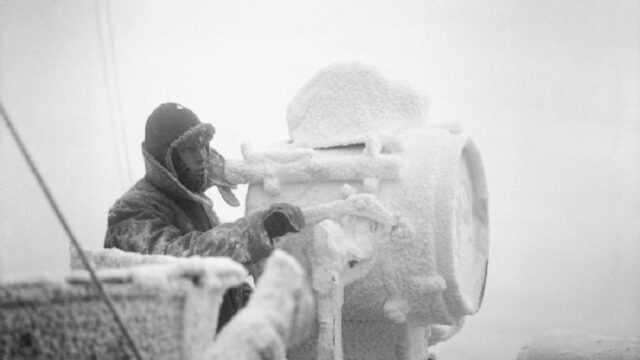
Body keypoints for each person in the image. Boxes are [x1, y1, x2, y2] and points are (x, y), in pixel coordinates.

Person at [104, 102, 304, 330]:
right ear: (165, 156)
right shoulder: (130, 210)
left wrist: (255, 309)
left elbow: (222, 280)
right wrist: (254, 233)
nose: (201, 157)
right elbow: (176, 261)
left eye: (203, 146)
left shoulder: (194, 203)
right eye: (190, 149)